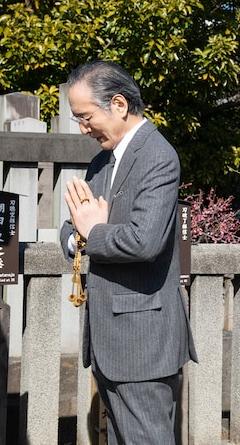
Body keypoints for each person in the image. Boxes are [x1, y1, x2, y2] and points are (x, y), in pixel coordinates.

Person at [59, 60, 196, 444]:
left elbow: (144, 241)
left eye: (86, 117)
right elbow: (71, 229)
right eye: (77, 119)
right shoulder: (102, 161)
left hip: (142, 342)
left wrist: (93, 231)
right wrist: (83, 235)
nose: (83, 128)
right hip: (109, 337)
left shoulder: (157, 156)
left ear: (118, 105)